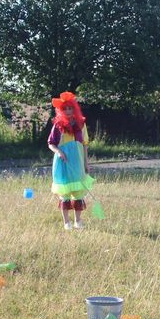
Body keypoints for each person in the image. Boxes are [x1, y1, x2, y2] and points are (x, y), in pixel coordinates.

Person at [47, 92, 91, 230]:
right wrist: (59, 151)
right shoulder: (58, 125)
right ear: (60, 110)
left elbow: (84, 144)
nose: (67, 111)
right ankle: (66, 223)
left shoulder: (81, 124)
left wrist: (85, 163)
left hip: (77, 161)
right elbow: (51, 143)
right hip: (62, 162)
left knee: (78, 192)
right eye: (64, 109)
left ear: (74, 108)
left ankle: (78, 221)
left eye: (69, 108)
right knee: (64, 193)